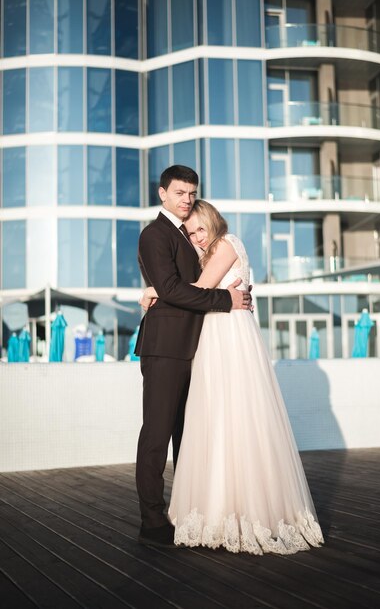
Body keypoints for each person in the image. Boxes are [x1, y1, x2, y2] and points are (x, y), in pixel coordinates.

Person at [141, 200, 324, 555]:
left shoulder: (226, 244)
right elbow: (199, 289)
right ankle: (221, 504)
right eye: (191, 232)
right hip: (215, 335)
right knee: (218, 421)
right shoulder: (211, 249)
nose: (196, 237)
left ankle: (245, 508)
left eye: (199, 228)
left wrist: (152, 291)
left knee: (236, 417)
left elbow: (199, 287)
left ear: (212, 220)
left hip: (229, 336)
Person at [135, 166, 251, 548]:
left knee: (190, 435)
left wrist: (155, 289)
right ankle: (152, 520)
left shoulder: (191, 237)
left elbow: (183, 283)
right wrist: (225, 300)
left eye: (192, 193)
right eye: (180, 192)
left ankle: (188, 512)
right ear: (162, 193)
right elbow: (172, 288)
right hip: (166, 348)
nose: (187, 199)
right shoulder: (155, 234)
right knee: (157, 433)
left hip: (197, 349)